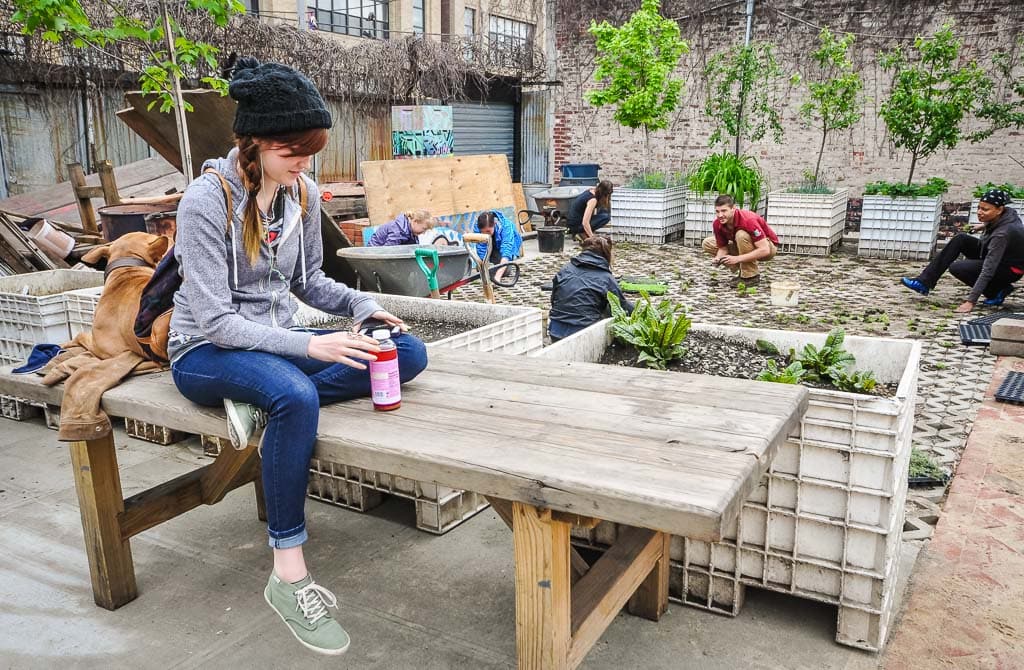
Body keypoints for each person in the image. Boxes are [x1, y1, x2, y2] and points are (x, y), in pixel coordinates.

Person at [167, 57, 428, 656]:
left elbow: (310, 281)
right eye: (292, 150)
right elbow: (216, 320)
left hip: (276, 344)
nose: (304, 163)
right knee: (295, 392)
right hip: (205, 351)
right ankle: (289, 574)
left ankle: (264, 407)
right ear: (253, 143)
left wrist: (363, 308)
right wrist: (314, 344)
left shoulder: (301, 195)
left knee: (404, 353)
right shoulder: (205, 202)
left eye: (310, 150)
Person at [901, 188, 1024, 312]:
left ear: (999, 210)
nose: (980, 212)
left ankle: (996, 291)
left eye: (985, 210)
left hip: (1010, 269)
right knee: (960, 239)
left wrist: (971, 301)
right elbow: (999, 223)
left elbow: (988, 269)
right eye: (979, 208)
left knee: (958, 267)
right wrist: (983, 226)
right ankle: (924, 282)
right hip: (1000, 255)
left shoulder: (1002, 235)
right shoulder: (1008, 214)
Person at [549, 236, 633, 341]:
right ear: (606, 255)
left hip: (556, 330)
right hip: (583, 333)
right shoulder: (606, 279)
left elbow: (553, 300)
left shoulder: (565, 269)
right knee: (609, 309)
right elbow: (621, 307)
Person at [701, 194, 779, 286]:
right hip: (744, 245)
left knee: (741, 235)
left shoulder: (748, 220)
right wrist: (718, 258)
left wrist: (737, 259)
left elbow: (765, 250)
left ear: (733, 208)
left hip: (768, 248)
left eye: (724, 211)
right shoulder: (717, 224)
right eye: (717, 211)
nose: (720, 215)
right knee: (707, 243)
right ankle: (742, 269)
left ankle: (750, 276)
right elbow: (723, 248)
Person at [473, 210, 522, 280]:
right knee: (481, 269)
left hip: (506, 245)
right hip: (491, 244)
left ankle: (497, 270)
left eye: (488, 231)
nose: (486, 235)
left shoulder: (506, 226)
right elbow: (481, 249)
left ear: (495, 224)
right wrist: (483, 266)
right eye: (483, 232)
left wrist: (498, 276)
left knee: (505, 271)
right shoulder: (478, 227)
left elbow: (507, 250)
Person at [366, 209, 434, 246]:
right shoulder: (398, 231)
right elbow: (388, 252)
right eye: (424, 229)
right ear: (415, 222)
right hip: (374, 253)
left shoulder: (411, 232)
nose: (424, 233)